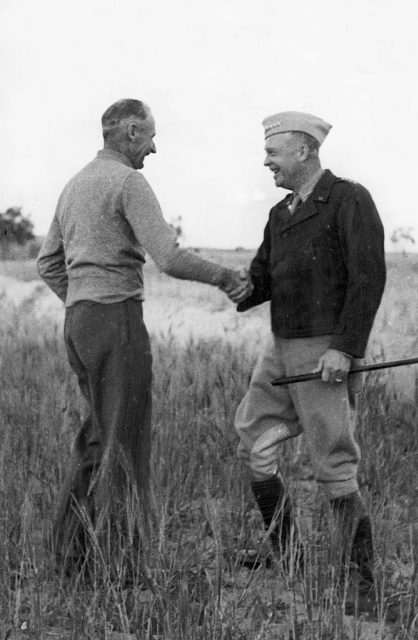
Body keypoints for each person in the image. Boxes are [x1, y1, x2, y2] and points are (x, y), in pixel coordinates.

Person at [37, 98, 251, 576]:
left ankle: (70, 561)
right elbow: (169, 258)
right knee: (126, 444)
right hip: (117, 321)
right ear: (131, 132)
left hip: (79, 323)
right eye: (151, 136)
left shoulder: (74, 184)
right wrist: (224, 278)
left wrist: (82, 298)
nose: (154, 147)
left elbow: (47, 263)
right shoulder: (129, 182)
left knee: (95, 440)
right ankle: (124, 572)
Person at [235, 111, 386, 614]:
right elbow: (263, 277)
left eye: (272, 152)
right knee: (254, 438)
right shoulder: (280, 214)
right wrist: (236, 284)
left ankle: (361, 587)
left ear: (303, 151)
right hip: (281, 346)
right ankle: (289, 556)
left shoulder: (349, 198)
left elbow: (368, 277)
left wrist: (344, 347)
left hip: (325, 349)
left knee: (333, 461)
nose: (265, 161)